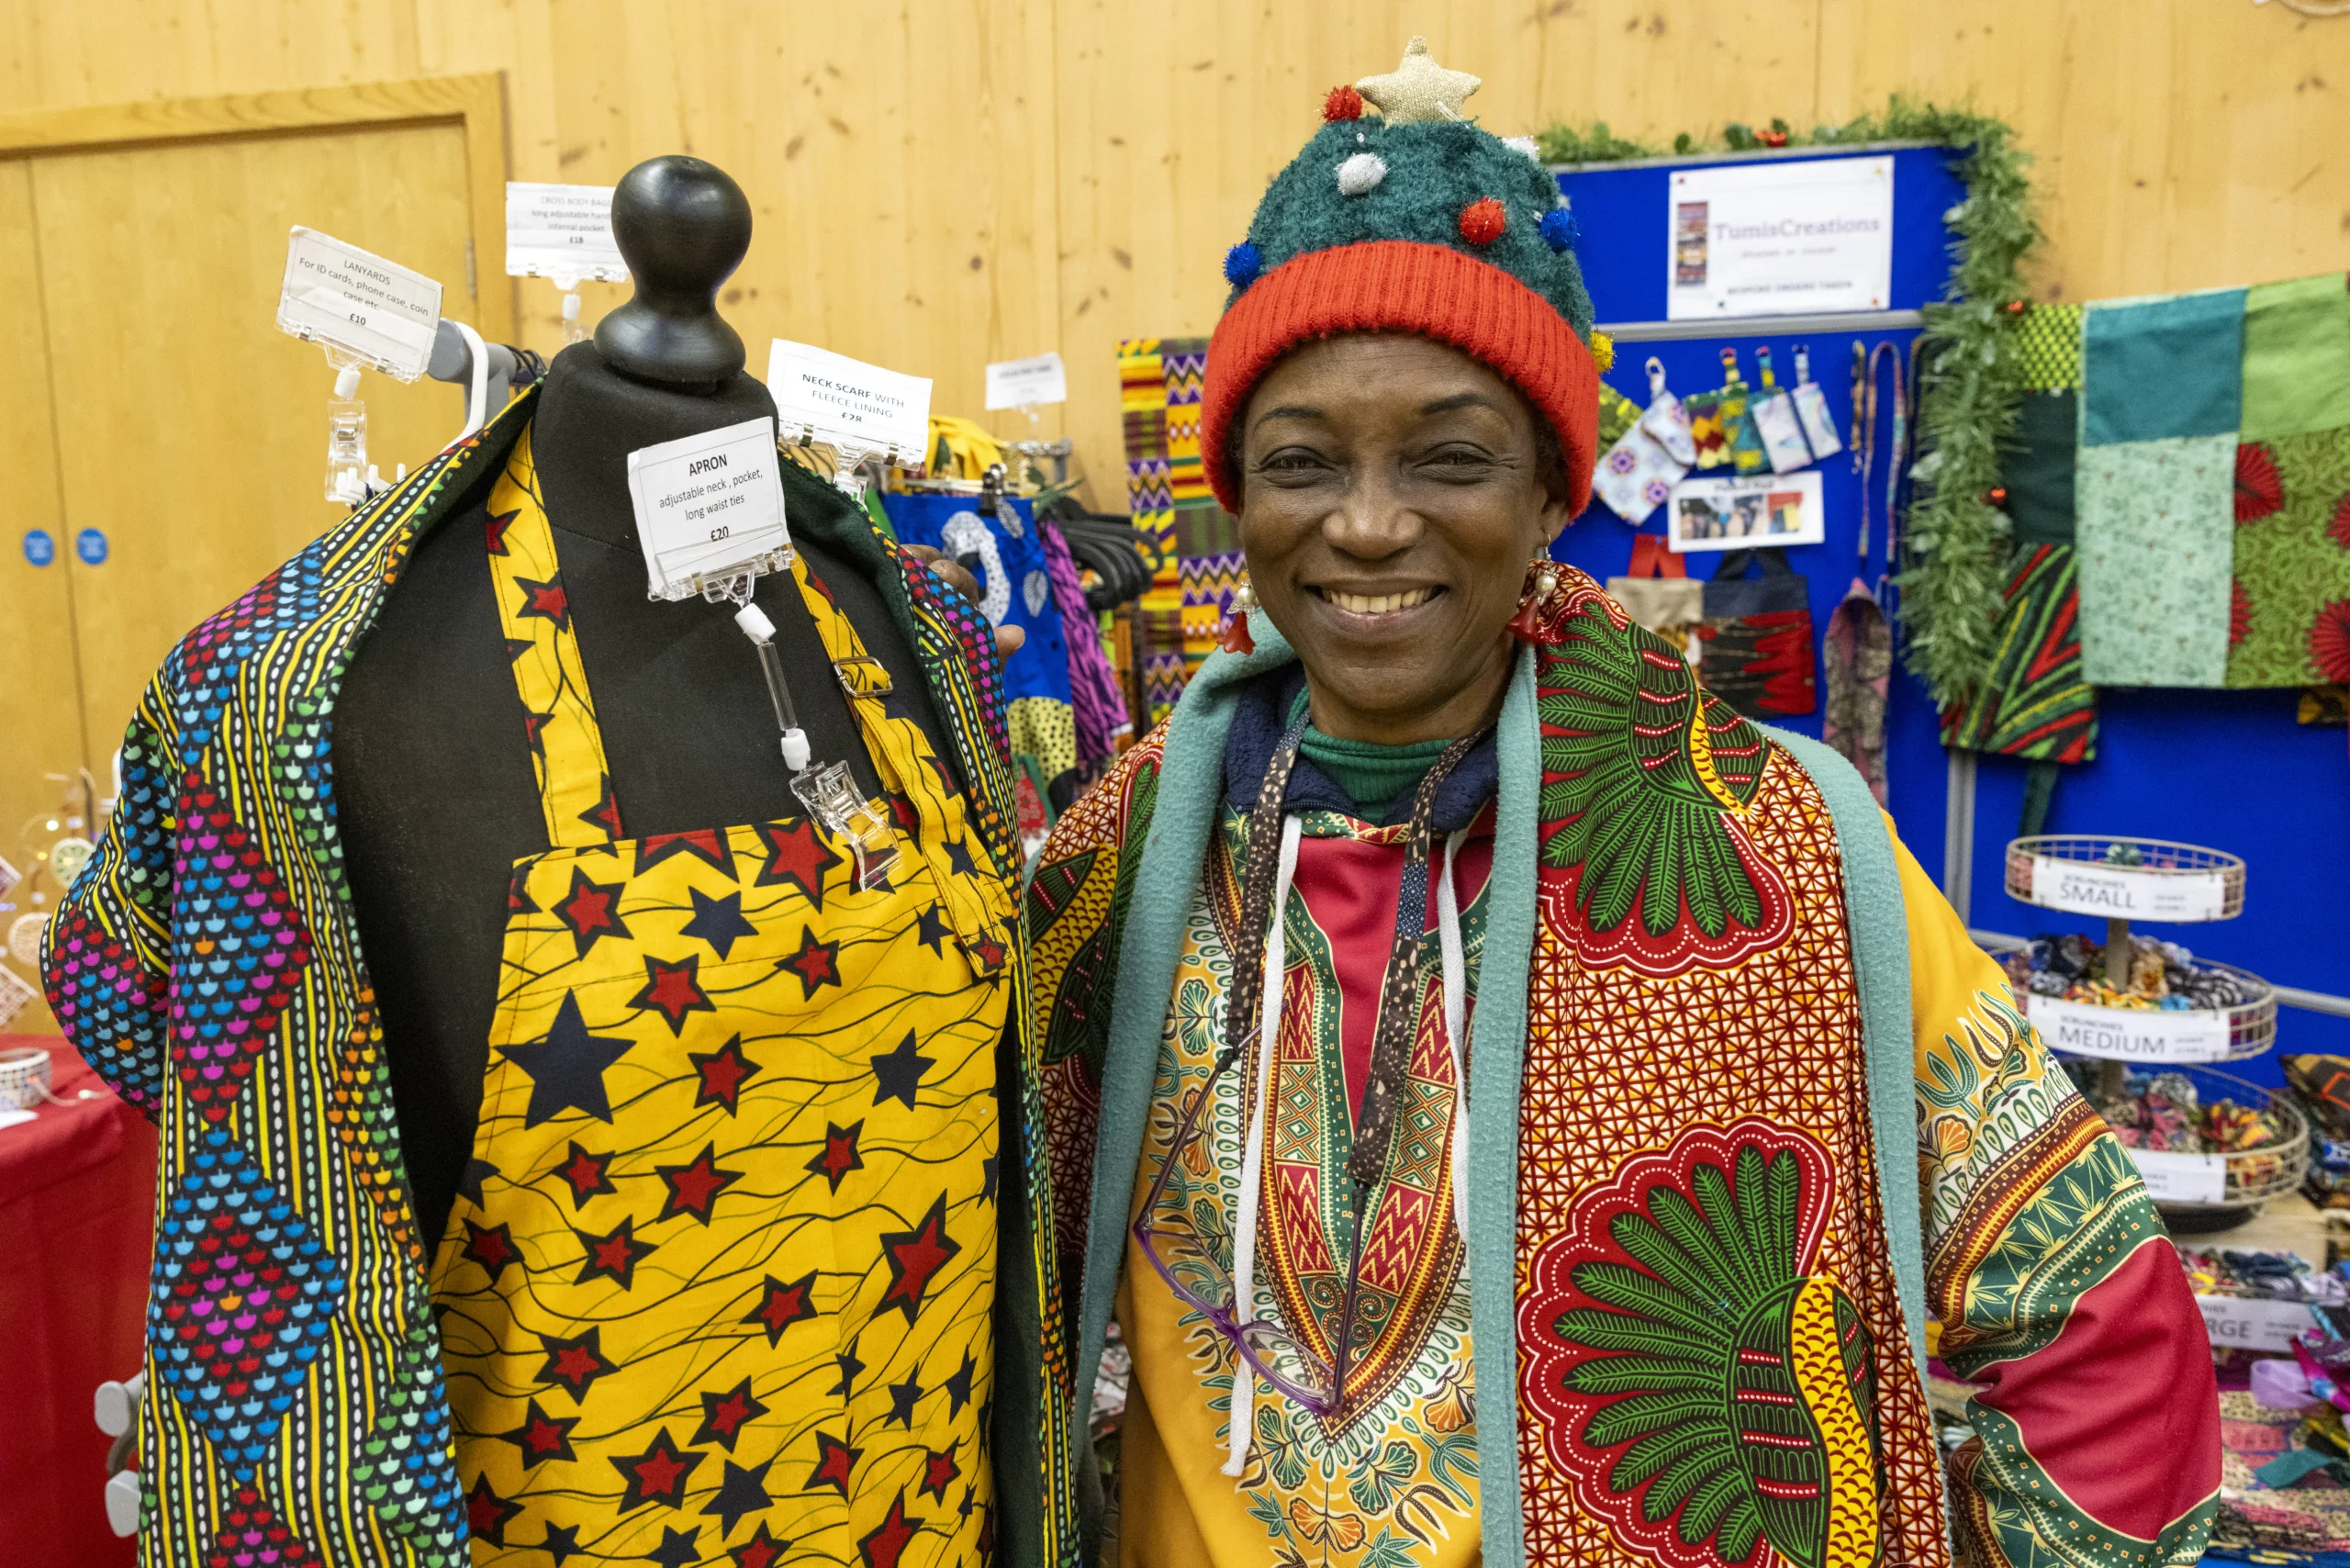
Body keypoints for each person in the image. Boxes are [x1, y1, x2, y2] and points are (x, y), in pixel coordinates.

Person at [1015, 40, 2219, 1568]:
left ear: (1550, 494)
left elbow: (2095, 1317)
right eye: (1301, 462)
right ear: (1237, 499)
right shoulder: (1117, 863)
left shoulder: (1789, 860)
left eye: (1450, 457)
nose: (1369, 524)